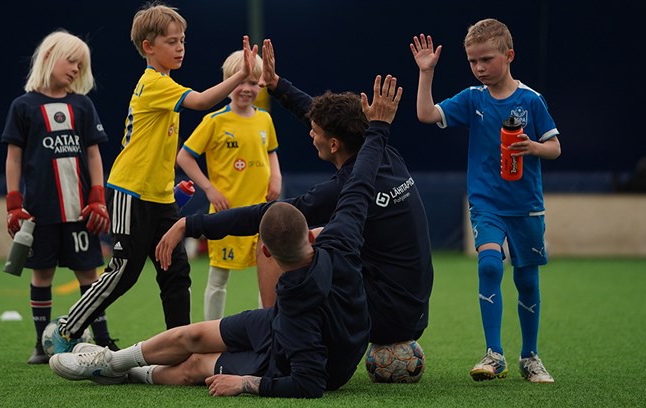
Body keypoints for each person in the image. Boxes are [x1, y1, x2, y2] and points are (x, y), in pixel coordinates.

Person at [49, 74, 401, 398]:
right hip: (282, 327)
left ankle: (128, 374)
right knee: (195, 334)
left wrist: (247, 383)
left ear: (265, 251)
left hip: (317, 361)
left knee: (195, 366)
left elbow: (309, 383)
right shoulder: (343, 236)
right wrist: (379, 129)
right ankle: (109, 361)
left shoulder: (297, 312)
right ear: (312, 238)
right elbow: (360, 182)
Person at [156, 39, 434, 382]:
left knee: (275, 239)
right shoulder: (383, 153)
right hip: (414, 308)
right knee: (317, 239)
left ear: (333, 144)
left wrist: (193, 224)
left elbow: (264, 214)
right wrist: (276, 86)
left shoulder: (343, 188)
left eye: (314, 133)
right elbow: (317, 114)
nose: (310, 134)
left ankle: (277, 335)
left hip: (385, 314)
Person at [51, 2, 259, 353]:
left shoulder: (166, 84)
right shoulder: (154, 84)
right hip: (130, 192)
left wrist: (172, 190)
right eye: (172, 41)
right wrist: (241, 74)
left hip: (158, 198)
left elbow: (157, 149)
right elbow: (204, 101)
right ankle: (67, 328)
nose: (180, 47)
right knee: (123, 272)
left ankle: (179, 347)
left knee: (175, 272)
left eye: (183, 41)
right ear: (149, 47)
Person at [411, 18, 561, 383]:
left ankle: (530, 357)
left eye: (486, 60)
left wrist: (535, 147)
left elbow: (555, 148)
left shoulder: (531, 101)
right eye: (472, 61)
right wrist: (426, 73)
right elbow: (426, 114)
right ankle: (494, 354)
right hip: (486, 204)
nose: (479, 68)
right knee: (490, 266)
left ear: (508, 56)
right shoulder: (471, 98)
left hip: (526, 206)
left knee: (526, 280)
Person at [1, 30, 117, 364]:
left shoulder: (83, 105)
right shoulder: (23, 106)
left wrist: (98, 197)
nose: (76, 70)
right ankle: (41, 344)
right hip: (40, 212)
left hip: (81, 211)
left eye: (82, 66)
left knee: (90, 275)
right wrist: (13, 203)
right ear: (50, 55)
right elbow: (14, 157)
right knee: (42, 275)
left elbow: (94, 155)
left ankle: (104, 339)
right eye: (72, 61)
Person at [177, 49, 281, 321]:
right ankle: (211, 331)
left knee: (268, 275)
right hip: (227, 215)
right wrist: (210, 189)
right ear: (228, 82)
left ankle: (268, 330)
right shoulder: (214, 121)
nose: (245, 88)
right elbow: (184, 157)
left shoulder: (264, 119)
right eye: (239, 81)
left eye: (252, 82)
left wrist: (276, 177)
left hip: (260, 213)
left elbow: (271, 150)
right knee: (218, 278)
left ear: (261, 84)